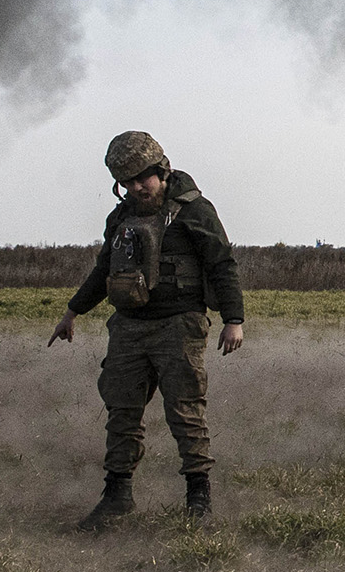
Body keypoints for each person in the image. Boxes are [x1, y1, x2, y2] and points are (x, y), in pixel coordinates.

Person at [48, 131, 245, 529]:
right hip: (129, 328)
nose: (137, 187)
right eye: (128, 182)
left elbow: (222, 265)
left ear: (162, 170)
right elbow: (104, 269)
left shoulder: (195, 211)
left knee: (186, 412)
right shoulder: (121, 218)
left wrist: (234, 320)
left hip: (180, 325)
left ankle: (198, 499)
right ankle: (117, 495)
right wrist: (72, 312)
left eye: (144, 178)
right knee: (122, 412)